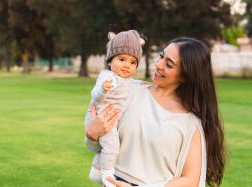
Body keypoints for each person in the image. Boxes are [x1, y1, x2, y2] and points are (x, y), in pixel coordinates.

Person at [85, 37, 226, 187]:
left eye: (169, 64)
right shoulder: (126, 91)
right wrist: (92, 135)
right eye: (161, 56)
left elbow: (191, 181)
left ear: (186, 75)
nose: (158, 64)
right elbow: (97, 146)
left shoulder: (190, 123)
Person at [86, 30, 146, 187]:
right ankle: (107, 175)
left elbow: (133, 86)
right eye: (122, 59)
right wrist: (103, 89)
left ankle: (96, 171)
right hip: (101, 117)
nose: (127, 65)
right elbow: (95, 96)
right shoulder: (108, 77)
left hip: (110, 119)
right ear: (110, 60)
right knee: (112, 145)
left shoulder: (127, 80)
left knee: (107, 146)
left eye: (133, 62)